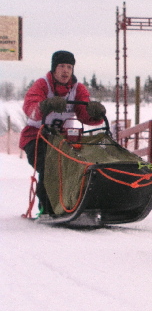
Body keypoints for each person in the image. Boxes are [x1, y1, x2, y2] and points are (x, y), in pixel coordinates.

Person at [20, 50, 106, 214]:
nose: (65, 70)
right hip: (36, 138)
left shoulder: (77, 89)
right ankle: (47, 208)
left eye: (69, 67)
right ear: (54, 68)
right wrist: (44, 106)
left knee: (78, 167)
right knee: (51, 167)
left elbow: (83, 113)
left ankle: (72, 204)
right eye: (61, 66)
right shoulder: (42, 85)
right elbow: (30, 108)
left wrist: (94, 113)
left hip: (63, 141)